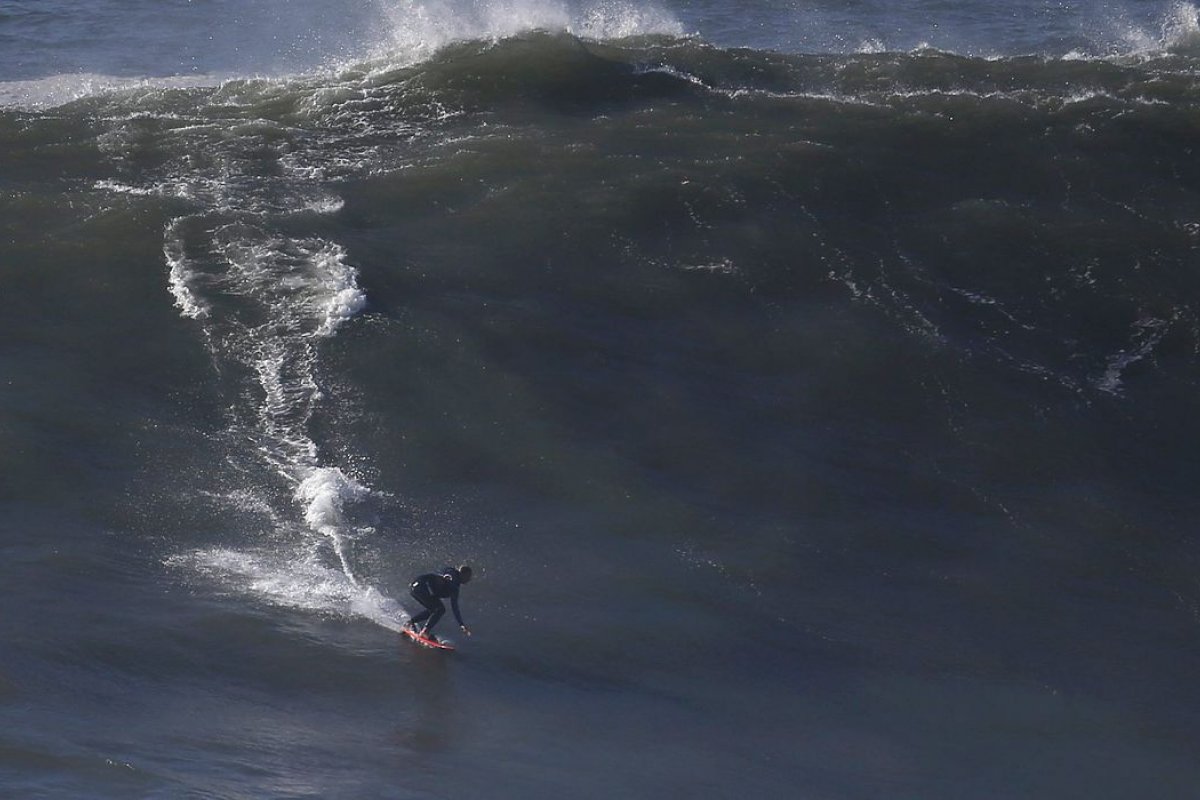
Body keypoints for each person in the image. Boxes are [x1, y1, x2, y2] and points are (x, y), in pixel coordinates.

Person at [404, 564, 473, 642]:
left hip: (415, 586)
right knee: (440, 609)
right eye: (468, 577)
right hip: (421, 588)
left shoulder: (450, 572)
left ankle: (409, 623)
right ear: (463, 574)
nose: (469, 579)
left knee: (434, 610)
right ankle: (424, 632)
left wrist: (461, 624)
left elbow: (455, 607)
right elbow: (454, 606)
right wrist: (461, 624)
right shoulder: (454, 583)